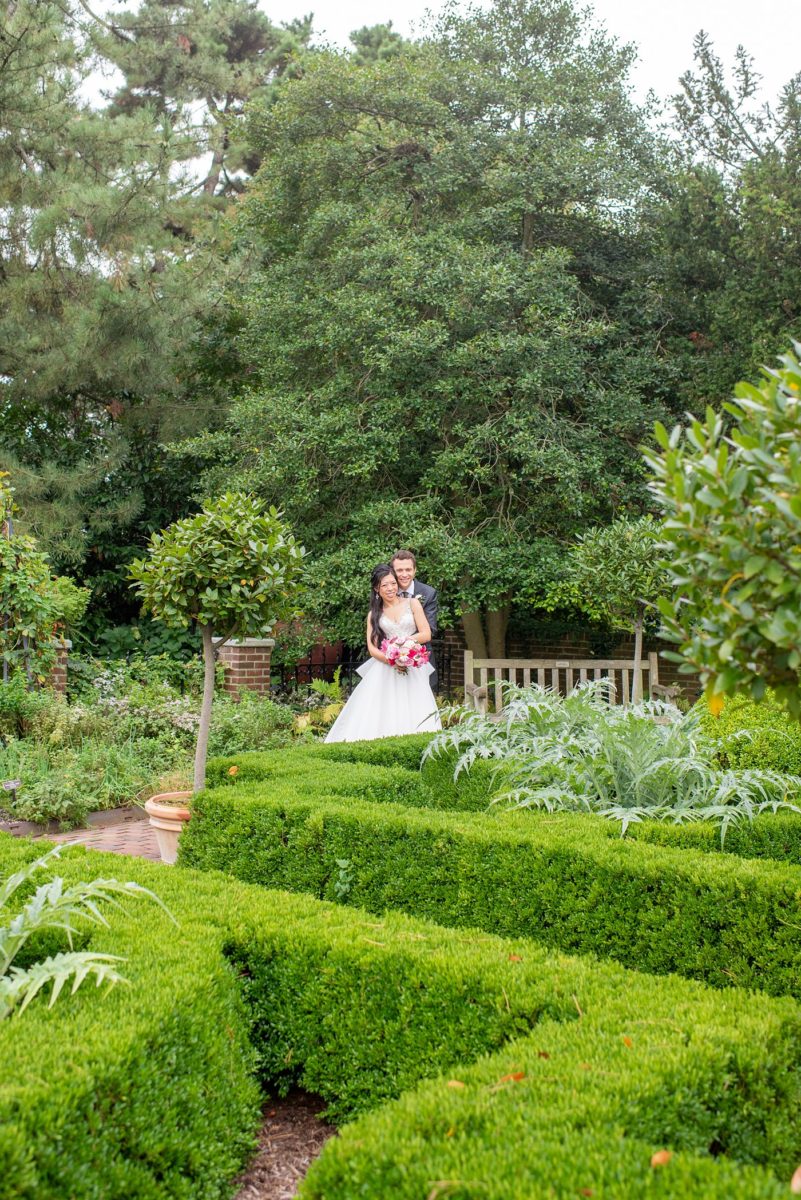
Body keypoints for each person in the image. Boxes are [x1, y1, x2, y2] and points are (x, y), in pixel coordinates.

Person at [324, 563, 441, 743]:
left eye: (393, 583)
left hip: (413, 666)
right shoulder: (374, 614)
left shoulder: (413, 603)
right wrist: (393, 659)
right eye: (385, 585)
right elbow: (372, 649)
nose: (390, 588)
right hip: (387, 667)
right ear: (376, 588)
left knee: (415, 707)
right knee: (384, 710)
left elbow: (426, 634)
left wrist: (405, 646)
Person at [391, 550, 439, 691]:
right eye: (399, 570)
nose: (404, 574)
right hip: (390, 659)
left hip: (419, 656)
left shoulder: (428, 593)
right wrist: (391, 651)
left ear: (415, 570)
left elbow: (431, 628)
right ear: (393, 572)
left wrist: (400, 645)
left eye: (408, 569)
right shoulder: (386, 591)